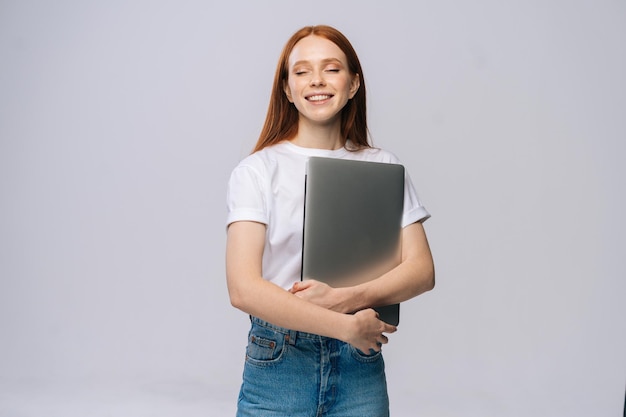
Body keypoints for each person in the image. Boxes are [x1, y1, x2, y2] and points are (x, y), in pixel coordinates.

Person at [225, 24, 435, 417]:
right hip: (280, 358)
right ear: (287, 89)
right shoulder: (257, 170)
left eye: (331, 69)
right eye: (301, 71)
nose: (316, 81)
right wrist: (342, 325)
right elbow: (243, 289)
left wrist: (346, 301)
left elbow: (422, 271)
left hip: (359, 363)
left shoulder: (383, 167)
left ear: (354, 83)